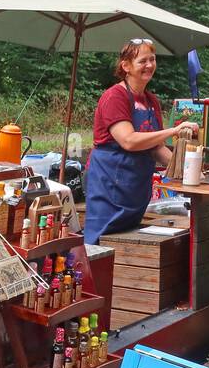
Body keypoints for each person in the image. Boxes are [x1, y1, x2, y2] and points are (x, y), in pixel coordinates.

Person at [83, 38, 197, 245]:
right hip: (109, 183)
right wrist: (174, 130)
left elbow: (156, 148)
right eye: (143, 61)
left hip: (135, 185)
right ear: (126, 66)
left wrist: (187, 169)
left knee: (127, 240)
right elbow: (128, 141)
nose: (150, 65)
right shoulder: (114, 97)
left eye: (152, 59)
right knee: (100, 240)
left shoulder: (150, 100)